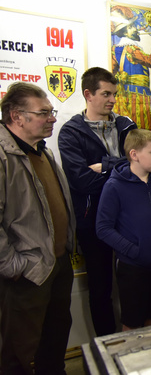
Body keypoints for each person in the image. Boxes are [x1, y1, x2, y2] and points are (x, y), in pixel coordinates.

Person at [0, 82, 75, 374]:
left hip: (57, 264)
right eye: (44, 113)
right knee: (19, 352)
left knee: (54, 342)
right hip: (27, 273)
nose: (52, 118)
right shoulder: (4, 156)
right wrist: (15, 266)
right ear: (18, 117)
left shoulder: (43, 152)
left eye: (51, 111)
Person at [59, 66, 136, 337]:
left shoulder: (126, 125)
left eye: (114, 94)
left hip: (130, 218)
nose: (113, 99)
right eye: (106, 94)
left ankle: (134, 339)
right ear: (88, 94)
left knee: (134, 281)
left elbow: (139, 166)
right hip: (93, 221)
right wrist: (123, 168)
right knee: (100, 288)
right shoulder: (70, 133)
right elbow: (81, 181)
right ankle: (106, 345)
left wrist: (104, 165)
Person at [96, 129, 151, 330]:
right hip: (134, 268)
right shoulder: (114, 186)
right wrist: (134, 251)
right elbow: (103, 227)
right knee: (132, 323)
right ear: (134, 154)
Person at [111, 5, 151, 130]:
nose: (136, 29)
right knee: (141, 129)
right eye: (132, 27)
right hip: (137, 98)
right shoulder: (131, 48)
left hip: (124, 98)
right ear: (126, 31)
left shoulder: (115, 49)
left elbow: (112, 73)